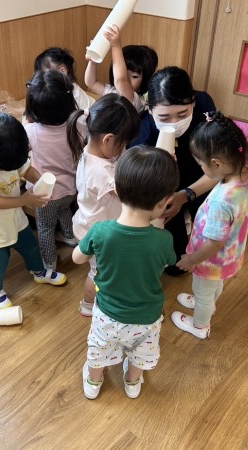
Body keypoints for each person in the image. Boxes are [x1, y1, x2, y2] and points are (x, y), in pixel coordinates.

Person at [72, 145, 179, 399]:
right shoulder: (163, 240)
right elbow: (167, 263)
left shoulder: (101, 232)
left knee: (99, 348)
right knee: (141, 353)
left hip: (107, 313)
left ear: (117, 191)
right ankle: (132, 383)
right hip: (147, 316)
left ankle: (93, 382)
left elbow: (77, 258)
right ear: (164, 202)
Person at [0, 113, 67, 311]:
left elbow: (26, 170)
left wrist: (41, 182)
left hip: (15, 219)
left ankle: (39, 272)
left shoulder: (11, 151)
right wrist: (24, 200)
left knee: (31, 247)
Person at [171, 111, 248, 339]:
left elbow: (215, 242)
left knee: (203, 290)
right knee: (213, 285)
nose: (201, 168)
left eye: (201, 164)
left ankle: (200, 325)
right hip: (228, 256)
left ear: (217, 163)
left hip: (209, 258)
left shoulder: (223, 201)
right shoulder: (247, 173)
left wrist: (192, 259)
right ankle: (207, 302)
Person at [132, 66, 219, 276]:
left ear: (193, 102)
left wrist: (185, 195)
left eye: (182, 114)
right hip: (165, 189)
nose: (175, 123)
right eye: (164, 117)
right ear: (150, 110)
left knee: (213, 240)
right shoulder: (143, 132)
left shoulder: (204, 106)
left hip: (201, 178)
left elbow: (219, 170)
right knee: (175, 267)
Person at [67, 93, 140, 317]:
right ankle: (88, 305)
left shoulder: (91, 151)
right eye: (123, 143)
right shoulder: (101, 173)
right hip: (98, 235)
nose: (124, 147)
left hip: (88, 223)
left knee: (99, 270)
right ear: (108, 139)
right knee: (98, 274)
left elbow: (119, 161)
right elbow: (130, 196)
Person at [24, 70, 81, 271]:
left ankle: (49, 263)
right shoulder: (77, 127)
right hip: (71, 188)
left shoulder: (30, 132)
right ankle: (70, 236)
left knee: (45, 227)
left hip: (45, 195)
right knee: (65, 210)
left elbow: (21, 151)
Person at [84, 24, 157, 113]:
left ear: (145, 80)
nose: (127, 79)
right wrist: (93, 61)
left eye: (134, 76)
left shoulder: (136, 101)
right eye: (124, 72)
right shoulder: (112, 91)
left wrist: (116, 46)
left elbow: (121, 80)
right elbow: (91, 82)